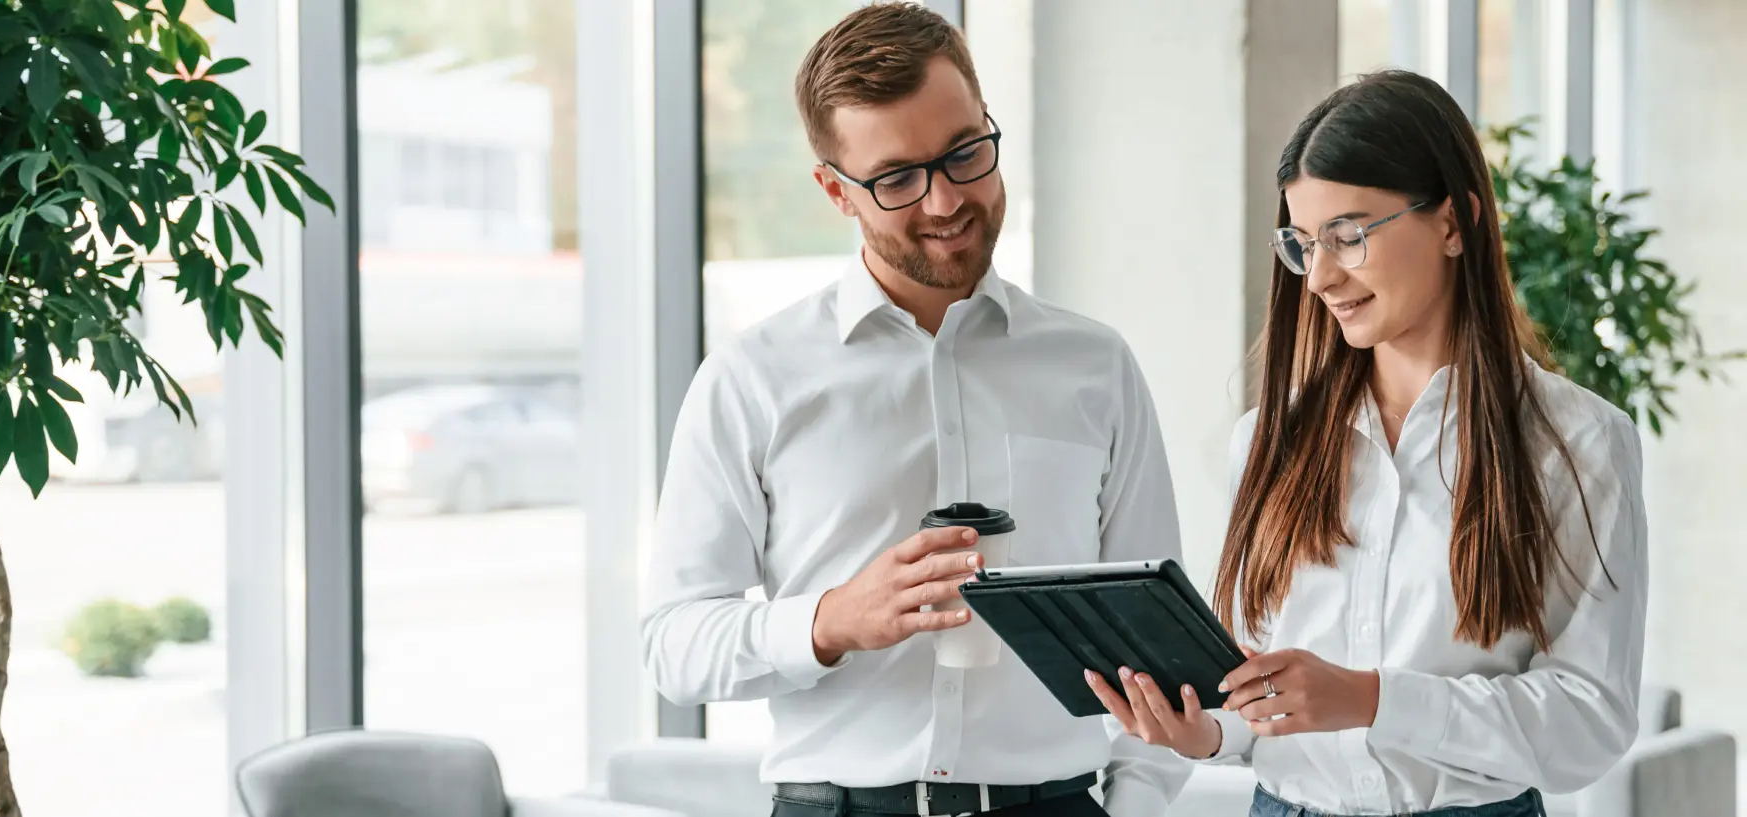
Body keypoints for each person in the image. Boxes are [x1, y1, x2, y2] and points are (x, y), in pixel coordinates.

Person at [641, 4, 1190, 816]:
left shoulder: (1096, 366)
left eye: (965, 153)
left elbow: (1159, 644)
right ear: (836, 191)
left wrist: (1134, 807)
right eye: (897, 178)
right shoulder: (751, 379)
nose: (944, 202)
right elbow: (673, 646)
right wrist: (830, 622)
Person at [1083, 69, 1647, 817]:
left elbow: (1589, 721)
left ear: (1454, 222)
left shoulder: (1577, 444)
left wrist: (1374, 699)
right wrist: (1205, 732)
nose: (1318, 276)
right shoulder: (1267, 441)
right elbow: (1257, 702)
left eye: (1348, 236)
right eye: (1302, 243)